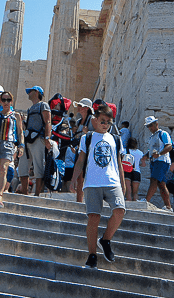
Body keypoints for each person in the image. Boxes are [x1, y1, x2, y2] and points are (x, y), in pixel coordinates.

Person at [70, 103, 126, 269]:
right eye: (102, 121)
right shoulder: (87, 138)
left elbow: (119, 163)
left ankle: (106, 239)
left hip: (112, 181)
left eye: (108, 122)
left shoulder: (116, 139)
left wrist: (123, 184)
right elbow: (81, 160)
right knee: (93, 218)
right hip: (92, 182)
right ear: (95, 120)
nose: (105, 125)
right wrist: (74, 180)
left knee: (120, 210)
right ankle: (92, 255)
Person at [0, 92, 24, 207]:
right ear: (0, 101)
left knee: (3, 169)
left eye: (8, 100)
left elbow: (20, 132)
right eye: (4, 99)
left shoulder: (16, 116)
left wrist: (21, 146)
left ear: (11, 101)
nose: (6, 102)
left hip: (8, 144)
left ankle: (0, 195)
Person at [17, 86, 51, 196]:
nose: (28, 93)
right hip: (28, 139)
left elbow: (48, 121)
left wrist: (47, 138)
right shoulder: (30, 108)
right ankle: (25, 193)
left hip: (39, 139)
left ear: (36, 92)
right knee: (22, 168)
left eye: (30, 91)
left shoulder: (43, 105)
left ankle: (37, 195)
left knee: (38, 167)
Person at [143, 116, 174, 211]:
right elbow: (152, 151)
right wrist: (145, 156)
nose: (149, 128)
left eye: (151, 125)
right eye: (148, 126)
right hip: (155, 161)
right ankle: (168, 207)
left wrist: (159, 154)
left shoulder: (163, 133)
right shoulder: (152, 137)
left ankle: (146, 201)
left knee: (154, 180)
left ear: (156, 124)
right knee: (161, 184)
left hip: (162, 161)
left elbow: (169, 146)